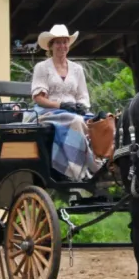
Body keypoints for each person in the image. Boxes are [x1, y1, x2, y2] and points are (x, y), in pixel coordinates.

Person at [27, 24, 103, 181]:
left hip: (74, 111)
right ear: (51, 45)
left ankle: (107, 163)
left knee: (100, 121)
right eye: (58, 42)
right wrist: (61, 105)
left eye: (65, 42)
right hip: (48, 112)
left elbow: (82, 95)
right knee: (76, 121)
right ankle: (84, 171)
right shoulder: (42, 67)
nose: (62, 46)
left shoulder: (77, 69)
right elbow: (39, 99)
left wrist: (81, 106)